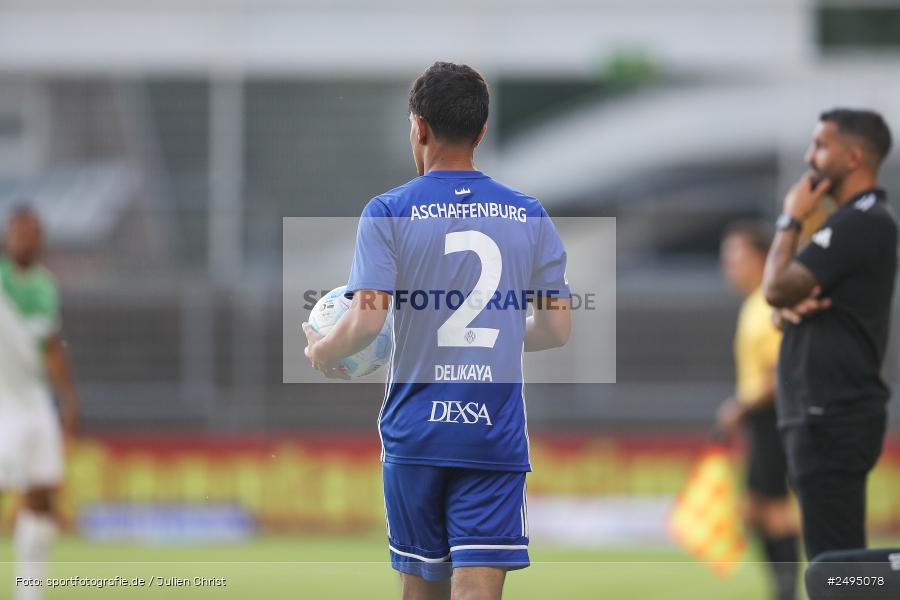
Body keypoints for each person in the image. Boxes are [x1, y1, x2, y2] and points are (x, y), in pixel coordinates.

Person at [302, 61, 571, 600]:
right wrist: (494, 329)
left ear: (418, 127)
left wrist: (323, 352)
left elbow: (366, 320)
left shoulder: (388, 212)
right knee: (475, 591)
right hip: (491, 430)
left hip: (416, 430)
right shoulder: (528, 214)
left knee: (420, 589)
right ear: (481, 131)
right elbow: (557, 329)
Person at [762, 109, 896, 561]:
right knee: (834, 565)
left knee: (835, 569)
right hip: (820, 411)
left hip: (832, 411)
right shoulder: (848, 224)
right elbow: (786, 304)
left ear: (854, 156)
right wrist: (785, 311)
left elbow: (775, 288)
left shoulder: (863, 221)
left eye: (821, 145)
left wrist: (789, 219)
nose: (809, 156)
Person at [717, 221, 800, 600]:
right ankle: (781, 588)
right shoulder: (755, 303)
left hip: (773, 414)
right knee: (753, 509)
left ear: (762, 257)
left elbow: (778, 371)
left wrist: (740, 406)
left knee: (774, 509)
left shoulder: (767, 302)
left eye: (736, 256)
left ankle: (786, 592)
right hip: (762, 417)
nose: (728, 266)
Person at [0, 207, 79, 600]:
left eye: (32, 232)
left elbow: (51, 347)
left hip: (35, 400)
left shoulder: (46, 285)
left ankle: (29, 591)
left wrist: (68, 399)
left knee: (44, 495)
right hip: (3, 403)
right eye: (18, 231)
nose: (24, 239)